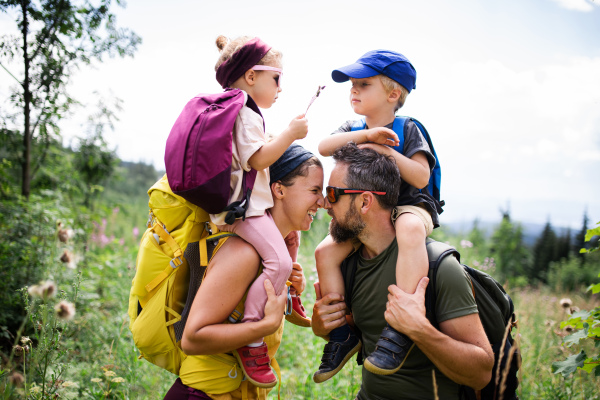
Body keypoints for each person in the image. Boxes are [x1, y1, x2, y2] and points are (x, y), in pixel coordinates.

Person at [312, 143, 493, 399]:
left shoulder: (439, 268)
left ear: (365, 201)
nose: (324, 204)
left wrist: (420, 330)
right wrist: (325, 327)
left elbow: (481, 373)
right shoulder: (348, 264)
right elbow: (367, 335)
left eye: (333, 194)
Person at [314, 49, 440, 381]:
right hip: (367, 210)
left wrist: (384, 149)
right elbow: (324, 147)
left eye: (363, 84)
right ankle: (342, 332)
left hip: (409, 207)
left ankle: (402, 324)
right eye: (352, 84)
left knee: (410, 229)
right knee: (325, 251)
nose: (353, 90)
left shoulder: (408, 128)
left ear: (393, 93)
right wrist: (366, 137)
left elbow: (421, 177)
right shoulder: (353, 128)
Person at [164, 144, 325, 399]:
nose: (323, 201)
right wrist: (264, 326)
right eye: (314, 190)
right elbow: (192, 338)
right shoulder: (244, 254)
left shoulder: (274, 258)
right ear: (279, 189)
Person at [210, 35, 311, 387]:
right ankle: (252, 336)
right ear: (251, 76)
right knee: (280, 262)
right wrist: (290, 135)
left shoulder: (242, 111)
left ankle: (287, 297)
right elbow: (258, 159)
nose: (280, 87)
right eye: (277, 78)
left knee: (291, 237)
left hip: (253, 205)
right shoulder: (244, 112)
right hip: (245, 210)